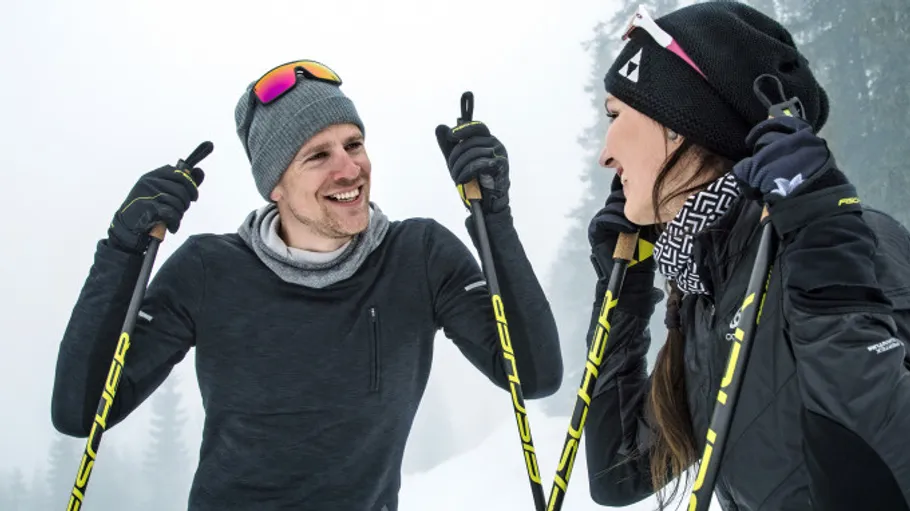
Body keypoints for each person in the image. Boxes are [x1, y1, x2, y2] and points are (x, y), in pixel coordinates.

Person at [50, 59, 563, 510]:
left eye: (354, 144)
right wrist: (122, 249)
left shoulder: (418, 257)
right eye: (317, 156)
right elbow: (81, 410)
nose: (349, 169)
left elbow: (534, 374)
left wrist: (494, 216)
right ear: (275, 185)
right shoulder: (209, 271)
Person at [579, 2, 910, 510]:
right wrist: (622, 287)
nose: (605, 153)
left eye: (616, 115)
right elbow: (618, 472)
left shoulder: (850, 245)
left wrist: (831, 281)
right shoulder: (710, 294)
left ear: (677, 125)